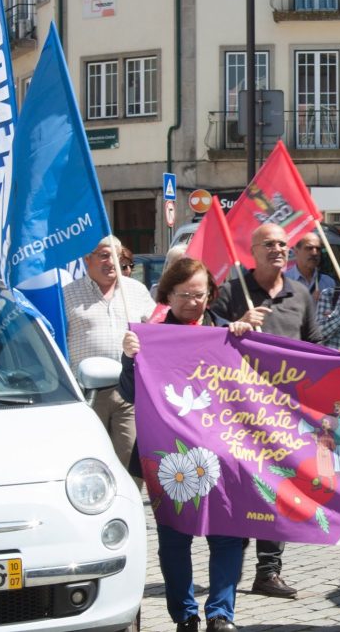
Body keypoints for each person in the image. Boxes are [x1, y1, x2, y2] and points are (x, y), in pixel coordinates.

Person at [120, 258, 252, 632]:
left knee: (228, 536)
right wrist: (130, 358)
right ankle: (185, 614)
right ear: (168, 295)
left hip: (221, 455)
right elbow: (129, 393)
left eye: (201, 294)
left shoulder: (224, 331)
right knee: (175, 541)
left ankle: (221, 614)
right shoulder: (149, 335)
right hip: (170, 457)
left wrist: (242, 337)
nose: (194, 302)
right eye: (185, 295)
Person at [209, 223, 322, 599]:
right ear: (252, 251)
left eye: (282, 244)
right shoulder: (231, 290)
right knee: (241, 484)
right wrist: (235, 325)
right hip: (239, 409)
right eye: (269, 244)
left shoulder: (300, 294)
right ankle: (230, 564)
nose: (278, 249)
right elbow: (208, 333)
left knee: (281, 485)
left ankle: (268, 572)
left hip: (285, 411)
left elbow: (315, 346)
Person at [64, 236, 156, 473]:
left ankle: (128, 506)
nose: (111, 262)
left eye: (117, 255)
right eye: (104, 255)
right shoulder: (67, 295)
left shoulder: (136, 291)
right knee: (89, 460)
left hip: (129, 392)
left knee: (130, 463)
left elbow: (156, 331)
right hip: (87, 395)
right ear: (87, 259)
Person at [284, 231, 336, 305]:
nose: (315, 253)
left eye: (318, 249)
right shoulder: (284, 281)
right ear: (296, 251)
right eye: (309, 248)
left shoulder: (328, 283)